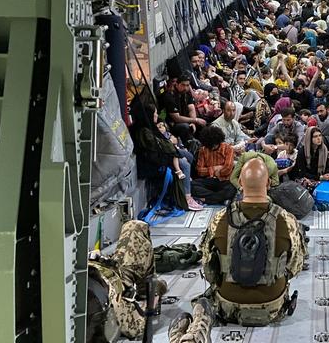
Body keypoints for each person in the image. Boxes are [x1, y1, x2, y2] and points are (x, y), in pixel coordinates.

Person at [169, 158, 306, 341]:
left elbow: (209, 269)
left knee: (203, 299)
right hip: (271, 307)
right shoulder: (287, 220)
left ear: (240, 183)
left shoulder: (220, 218)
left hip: (227, 306)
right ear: (269, 182)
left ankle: (198, 325)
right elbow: (295, 267)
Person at [88, 221, 167, 340]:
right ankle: (149, 289)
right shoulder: (114, 307)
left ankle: (149, 288)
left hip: (103, 268)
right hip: (118, 282)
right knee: (136, 227)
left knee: (134, 226)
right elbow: (139, 325)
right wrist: (154, 297)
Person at [193, 126, 238, 205]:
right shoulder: (203, 150)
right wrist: (215, 168)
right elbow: (200, 171)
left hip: (225, 181)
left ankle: (206, 199)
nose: (212, 147)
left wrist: (217, 172)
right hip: (210, 180)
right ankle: (220, 199)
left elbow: (227, 169)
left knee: (232, 189)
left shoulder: (228, 149)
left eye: (214, 145)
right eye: (210, 146)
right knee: (191, 185)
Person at [163, 73, 207, 144]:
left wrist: (193, 122)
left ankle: (204, 145)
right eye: (183, 85)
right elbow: (177, 118)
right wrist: (195, 120)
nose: (185, 88)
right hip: (173, 124)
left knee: (203, 122)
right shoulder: (170, 96)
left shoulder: (186, 93)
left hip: (187, 119)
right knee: (185, 127)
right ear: (177, 85)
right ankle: (191, 145)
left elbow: (191, 109)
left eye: (187, 85)